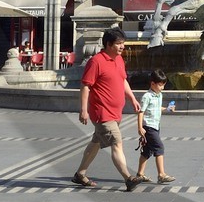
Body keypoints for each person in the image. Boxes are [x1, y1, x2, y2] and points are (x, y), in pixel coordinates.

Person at [71, 30, 144, 191]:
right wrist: (83, 110)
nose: (122, 47)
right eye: (118, 44)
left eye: (123, 43)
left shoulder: (118, 60)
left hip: (116, 112)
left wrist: (132, 99)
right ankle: (128, 178)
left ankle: (80, 174)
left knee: (96, 143)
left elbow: (123, 80)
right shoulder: (95, 62)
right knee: (117, 143)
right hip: (102, 112)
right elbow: (85, 85)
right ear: (108, 44)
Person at [132, 70, 176, 185]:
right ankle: (161, 174)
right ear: (152, 84)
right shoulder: (147, 96)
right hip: (149, 127)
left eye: (163, 85)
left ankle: (140, 174)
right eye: (160, 85)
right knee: (159, 147)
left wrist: (167, 109)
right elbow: (141, 112)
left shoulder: (159, 95)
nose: (162, 88)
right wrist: (140, 127)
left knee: (147, 151)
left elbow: (157, 108)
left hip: (156, 126)